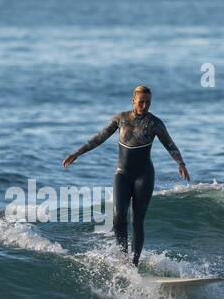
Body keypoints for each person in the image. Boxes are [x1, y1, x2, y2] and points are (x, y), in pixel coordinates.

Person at [63, 85, 190, 266]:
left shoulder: (155, 123)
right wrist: (77, 153)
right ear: (133, 101)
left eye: (148, 103)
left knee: (137, 220)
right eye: (141, 102)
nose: (144, 106)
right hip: (122, 174)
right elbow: (99, 138)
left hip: (144, 176)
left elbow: (170, 145)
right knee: (118, 217)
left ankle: (134, 264)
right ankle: (124, 260)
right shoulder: (120, 119)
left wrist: (181, 163)